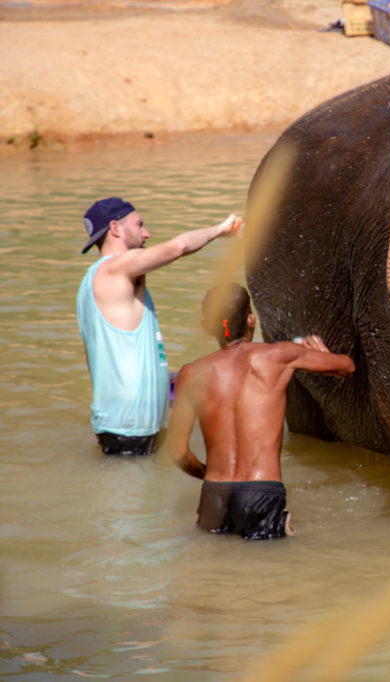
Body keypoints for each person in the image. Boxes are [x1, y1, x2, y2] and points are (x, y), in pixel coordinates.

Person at [167, 283, 355, 540]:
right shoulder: (279, 355)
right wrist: (322, 354)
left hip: (214, 494)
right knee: (267, 573)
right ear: (250, 319)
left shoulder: (191, 373)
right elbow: (347, 367)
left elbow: (177, 453)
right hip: (261, 492)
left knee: (216, 576)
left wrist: (208, 474)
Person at [77, 197, 241, 456]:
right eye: (139, 224)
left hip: (124, 425)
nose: (147, 233)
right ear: (115, 228)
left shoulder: (92, 283)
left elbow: (101, 359)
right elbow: (179, 246)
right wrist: (222, 229)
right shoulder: (115, 270)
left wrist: (162, 379)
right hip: (130, 429)